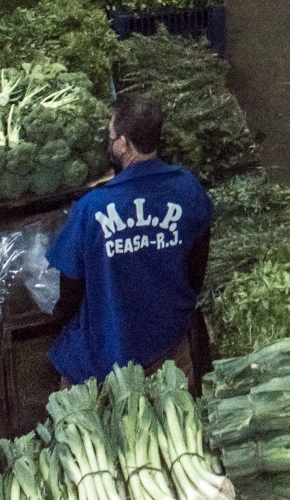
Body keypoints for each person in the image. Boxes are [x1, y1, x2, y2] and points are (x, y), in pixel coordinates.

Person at [46, 91, 214, 385]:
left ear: (123, 143)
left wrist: (62, 317)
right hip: (166, 339)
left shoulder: (93, 209)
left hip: (108, 350)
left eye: (111, 136)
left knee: (71, 385)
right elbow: (196, 272)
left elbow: (70, 286)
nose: (109, 143)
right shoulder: (188, 189)